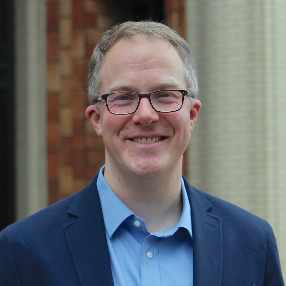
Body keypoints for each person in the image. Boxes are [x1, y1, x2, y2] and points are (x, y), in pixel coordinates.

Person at [0, 21, 284, 286]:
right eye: (123, 97)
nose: (145, 115)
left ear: (192, 114)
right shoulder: (23, 251)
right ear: (96, 119)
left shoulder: (252, 243)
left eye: (164, 95)